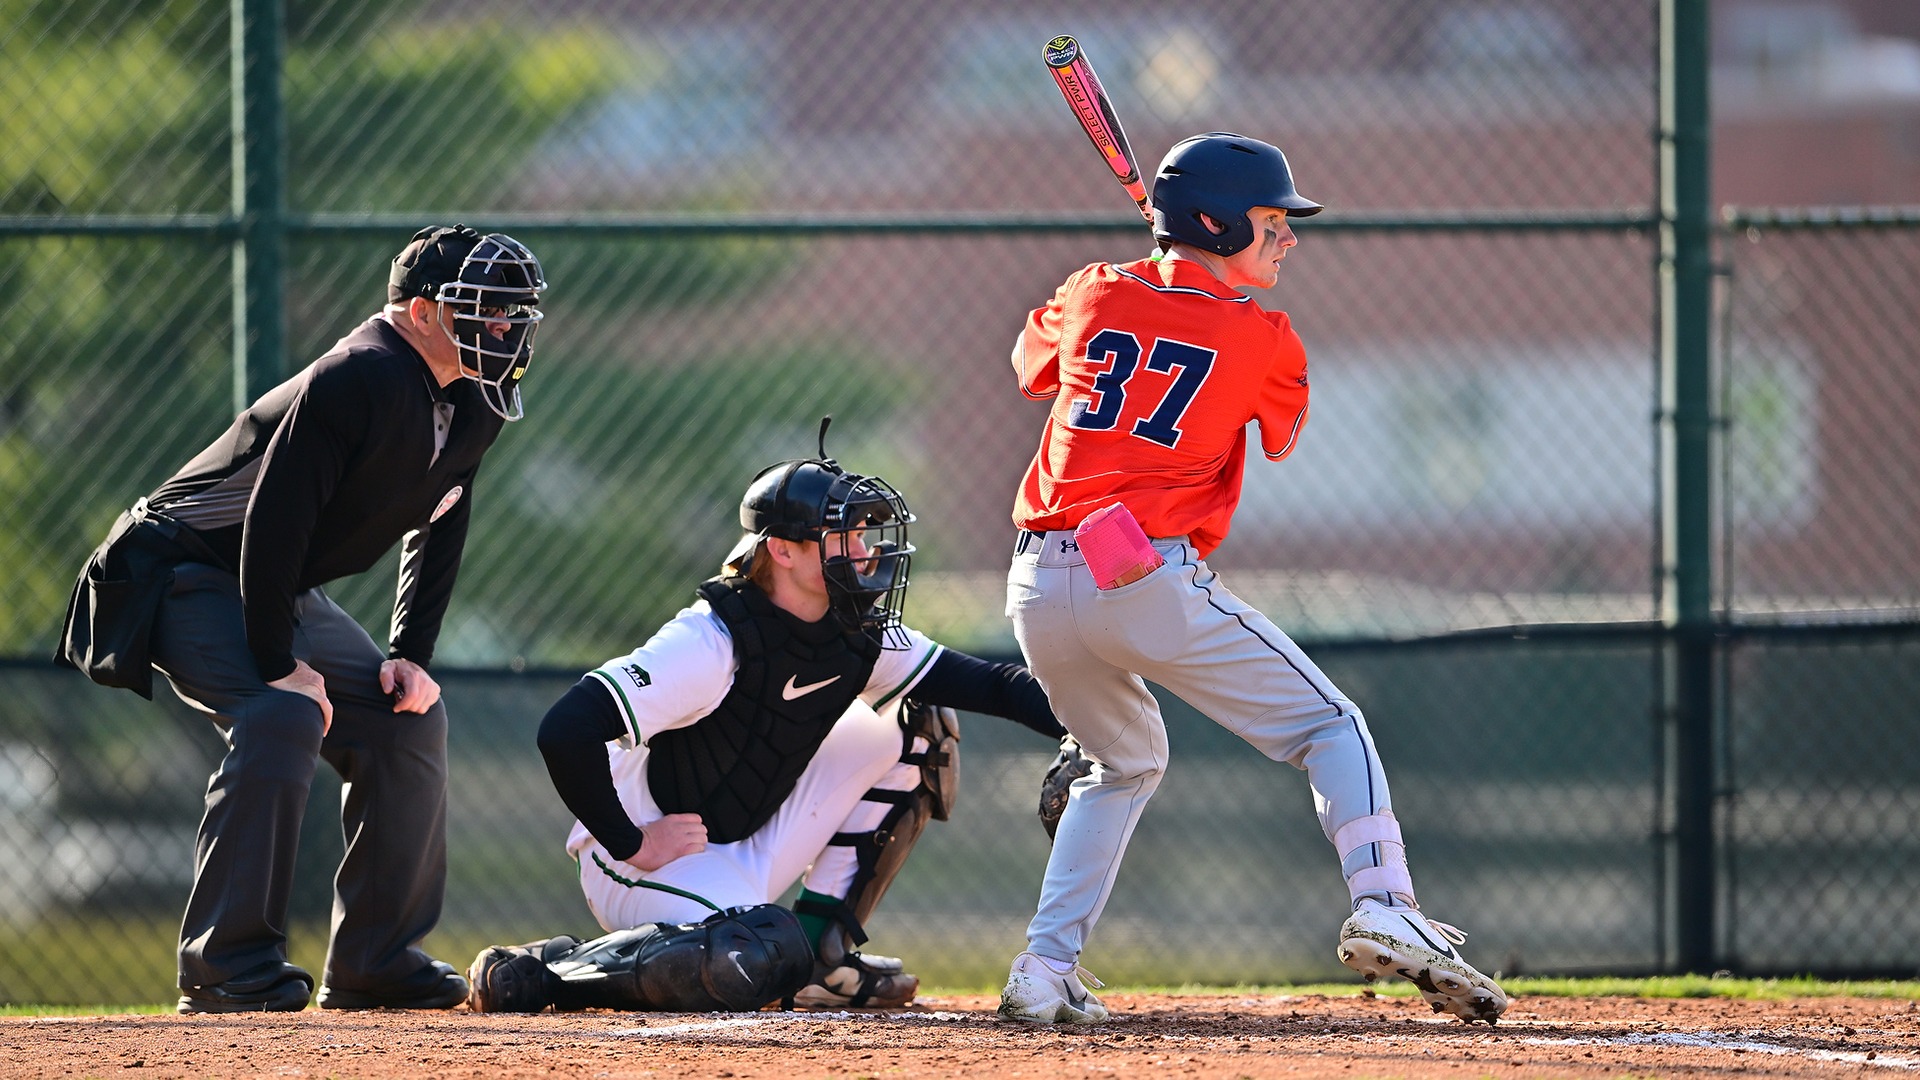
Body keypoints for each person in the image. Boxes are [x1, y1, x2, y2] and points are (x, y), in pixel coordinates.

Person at [994, 133, 1509, 1027]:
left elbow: (1029, 367)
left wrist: (1140, 287)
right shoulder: (1264, 335)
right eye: (1272, 222)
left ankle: (1043, 968)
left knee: (1123, 765)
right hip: (1143, 574)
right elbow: (1281, 430)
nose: (1289, 238)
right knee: (1331, 724)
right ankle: (1386, 903)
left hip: (1039, 587)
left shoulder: (1094, 288)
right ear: (1217, 222)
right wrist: (1197, 303)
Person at [55, 225, 548, 1013]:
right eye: (486, 311)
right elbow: (273, 521)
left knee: (406, 721)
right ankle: (226, 969)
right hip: (177, 569)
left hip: (268, 583)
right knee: (280, 711)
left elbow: (444, 515)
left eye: (512, 312)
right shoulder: (359, 376)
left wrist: (410, 653)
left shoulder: (472, 395)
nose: (505, 329)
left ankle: (376, 962)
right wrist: (280, 661)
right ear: (422, 312)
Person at [464, 437, 1067, 1013]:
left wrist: (1098, 730)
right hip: (645, 855)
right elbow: (565, 728)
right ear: (782, 549)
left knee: (921, 723)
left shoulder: (858, 632)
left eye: (863, 533)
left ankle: (819, 961)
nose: (865, 550)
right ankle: (552, 972)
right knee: (746, 957)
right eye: (844, 534)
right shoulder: (711, 639)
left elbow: (995, 684)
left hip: (748, 834)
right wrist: (632, 842)